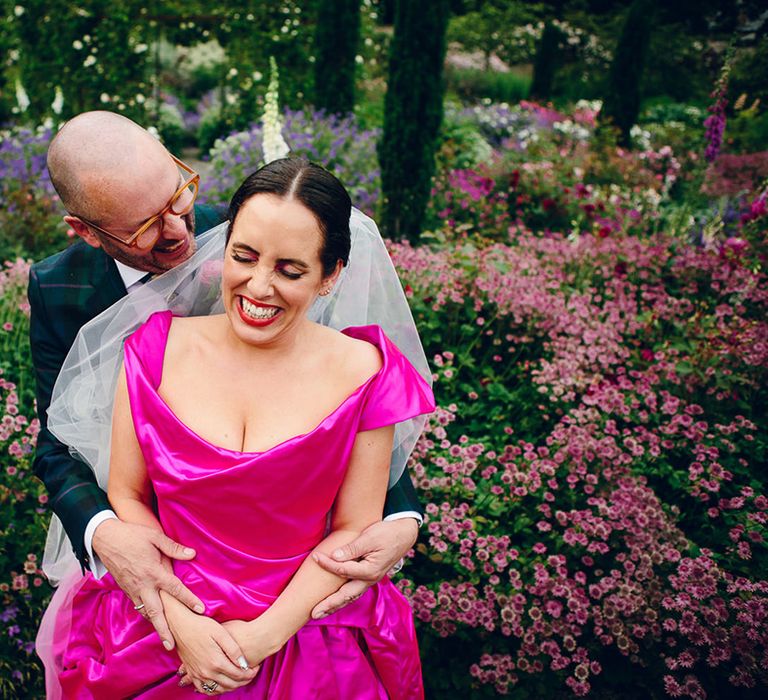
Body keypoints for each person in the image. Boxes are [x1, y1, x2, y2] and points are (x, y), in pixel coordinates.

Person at [29, 112, 425, 652]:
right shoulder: (59, 288)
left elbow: (348, 402)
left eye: (177, 197)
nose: (177, 230)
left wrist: (401, 514)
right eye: (144, 226)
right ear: (86, 230)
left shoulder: (257, 230)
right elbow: (57, 444)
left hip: (295, 596)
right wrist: (107, 532)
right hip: (161, 566)